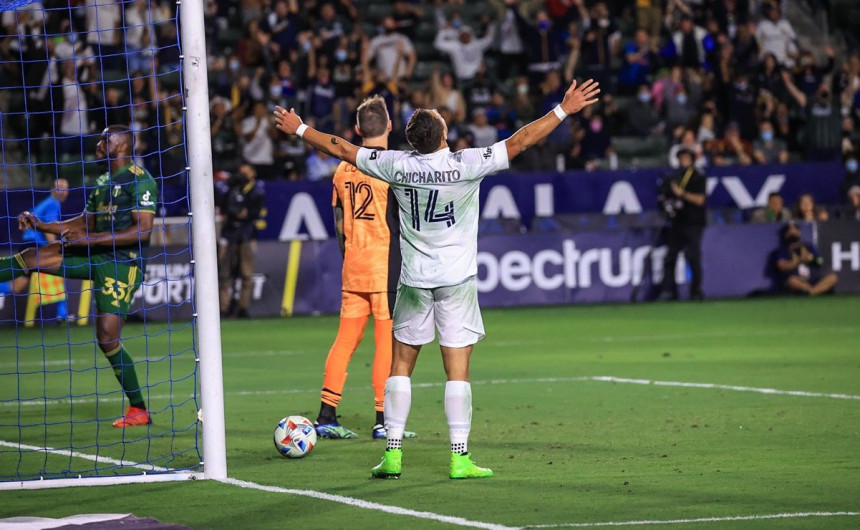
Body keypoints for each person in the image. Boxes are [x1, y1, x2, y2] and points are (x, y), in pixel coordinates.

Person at [274, 78, 600, 479]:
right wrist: (564, 109)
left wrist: (300, 129)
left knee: (400, 366)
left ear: (414, 141)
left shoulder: (396, 165)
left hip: (413, 281)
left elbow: (340, 148)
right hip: (456, 282)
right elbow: (521, 141)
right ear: (443, 134)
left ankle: (392, 454)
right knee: (457, 372)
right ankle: (459, 458)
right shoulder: (467, 163)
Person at [0, 125, 156, 427]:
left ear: (122, 146)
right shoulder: (103, 182)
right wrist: (42, 225)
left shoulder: (141, 180)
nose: (98, 145)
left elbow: (143, 231)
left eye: (105, 140)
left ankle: (139, 409)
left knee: (107, 337)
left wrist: (90, 240)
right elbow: (84, 223)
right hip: (94, 252)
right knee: (32, 257)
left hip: (122, 264)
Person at [313, 95, 415, 441]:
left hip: (354, 265)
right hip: (384, 267)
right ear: (390, 126)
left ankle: (326, 416)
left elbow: (339, 223)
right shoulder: (393, 166)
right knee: (387, 343)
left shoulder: (343, 169)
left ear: (357, 129)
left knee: (345, 341)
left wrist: (349, 257)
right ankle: (383, 420)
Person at [0, 180, 70, 322]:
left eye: (66, 189)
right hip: (35, 246)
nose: (63, 192)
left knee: (18, 286)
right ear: (52, 189)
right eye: (60, 188)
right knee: (61, 268)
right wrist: (56, 248)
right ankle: (62, 315)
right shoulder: (52, 204)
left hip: (27, 245)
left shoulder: (46, 203)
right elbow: (49, 229)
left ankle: (62, 315)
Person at [657, 148, 706, 301]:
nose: (684, 160)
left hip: (694, 223)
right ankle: (669, 291)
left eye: (687, 157)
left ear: (692, 159)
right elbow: (664, 197)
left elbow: (700, 200)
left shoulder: (698, 176)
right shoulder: (673, 177)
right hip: (677, 222)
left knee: (693, 257)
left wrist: (682, 194)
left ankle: (696, 291)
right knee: (670, 258)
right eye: (681, 157)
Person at [218, 164, 265, 319]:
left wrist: (241, 212)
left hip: (246, 235)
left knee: (246, 273)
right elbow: (224, 207)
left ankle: (243, 307)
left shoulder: (256, 191)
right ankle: (223, 307)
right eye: (241, 173)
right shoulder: (231, 190)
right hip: (229, 234)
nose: (243, 176)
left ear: (253, 173)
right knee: (225, 273)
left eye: (246, 173)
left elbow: (253, 212)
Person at [775, 222, 837, 295]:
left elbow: (820, 261)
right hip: (798, 279)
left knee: (833, 277)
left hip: (813, 279)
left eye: (796, 231)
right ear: (786, 235)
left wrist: (811, 259)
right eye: (790, 232)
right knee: (792, 281)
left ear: (799, 233)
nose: (793, 233)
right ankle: (814, 291)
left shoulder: (808, 247)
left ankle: (812, 292)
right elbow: (782, 267)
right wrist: (798, 261)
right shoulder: (782, 251)